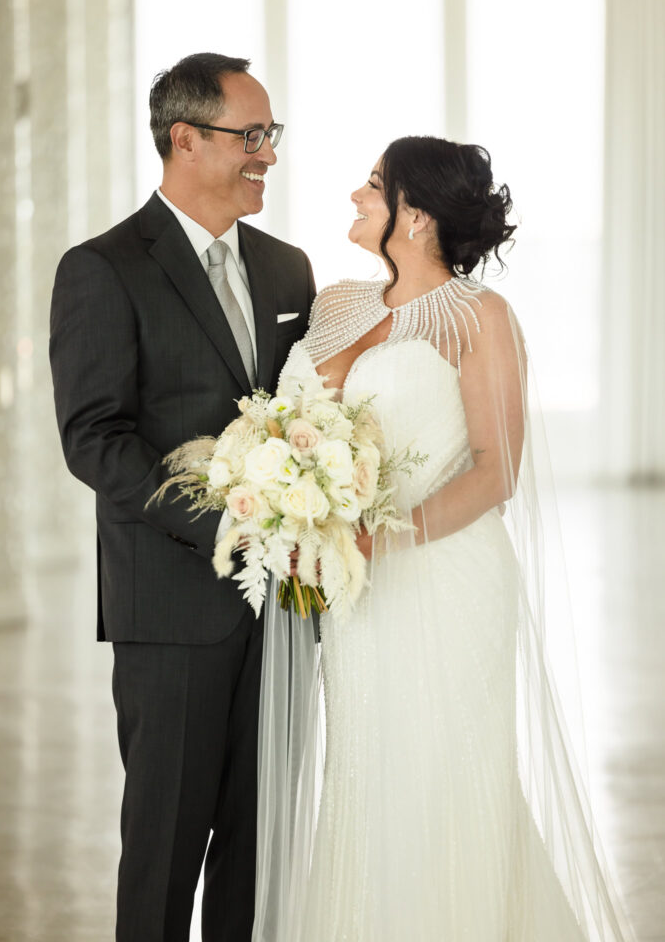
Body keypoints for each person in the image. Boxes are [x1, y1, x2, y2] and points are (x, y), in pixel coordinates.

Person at [252, 137, 633, 940]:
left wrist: (378, 540)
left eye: (372, 186)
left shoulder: (478, 317)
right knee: (365, 780)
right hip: (354, 598)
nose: (355, 197)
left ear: (415, 215)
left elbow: (496, 473)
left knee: (443, 781)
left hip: (442, 577)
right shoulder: (333, 305)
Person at [49, 52, 315, 942]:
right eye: (251, 136)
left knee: (258, 850)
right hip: (169, 609)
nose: (267, 155)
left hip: (282, 612)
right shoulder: (103, 268)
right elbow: (95, 438)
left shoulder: (288, 269)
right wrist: (230, 520)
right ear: (184, 138)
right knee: (163, 852)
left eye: (269, 135)